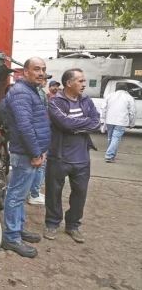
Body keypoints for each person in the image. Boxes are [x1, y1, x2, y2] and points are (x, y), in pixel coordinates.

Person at [44, 68, 100, 243]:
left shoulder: (86, 100)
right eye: (80, 81)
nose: (84, 84)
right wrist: (83, 124)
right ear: (69, 83)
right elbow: (65, 124)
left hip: (82, 157)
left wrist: (76, 126)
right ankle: (52, 223)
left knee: (80, 193)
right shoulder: (55, 102)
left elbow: (96, 122)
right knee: (54, 192)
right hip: (59, 156)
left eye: (84, 81)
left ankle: (73, 225)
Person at [2, 57, 50, 258]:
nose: (41, 73)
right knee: (15, 195)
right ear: (25, 72)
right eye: (36, 69)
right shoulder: (21, 92)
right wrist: (35, 153)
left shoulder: (31, 91)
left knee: (19, 195)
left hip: (30, 152)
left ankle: (18, 229)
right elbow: (25, 126)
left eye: (43, 69)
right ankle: (11, 238)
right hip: (25, 154)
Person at [101, 83, 136, 163]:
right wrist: (132, 123)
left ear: (116, 88)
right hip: (121, 121)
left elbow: (103, 108)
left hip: (109, 120)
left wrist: (102, 120)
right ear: (126, 89)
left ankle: (112, 155)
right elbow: (132, 111)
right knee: (116, 138)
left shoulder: (109, 96)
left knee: (111, 138)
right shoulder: (129, 97)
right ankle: (109, 156)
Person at [28, 74, 49, 205]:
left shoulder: (39, 92)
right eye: (44, 79)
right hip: (38, 135)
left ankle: (34, 192)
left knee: (39, 166)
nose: (45, 81)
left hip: (39, 134)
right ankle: (34, 194)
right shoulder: (37, 93)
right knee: (40, 165)